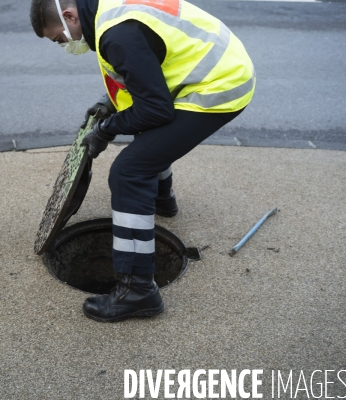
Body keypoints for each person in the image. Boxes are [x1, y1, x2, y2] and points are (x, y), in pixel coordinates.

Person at [30, 0, 255, 322]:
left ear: (69, 17)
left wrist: (106, 130)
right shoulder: (105, 11)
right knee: (146, 142)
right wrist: (109, 104)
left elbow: (155, 110)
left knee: (129, 171)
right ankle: (163, 200)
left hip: (219, 87)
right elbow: (141, 72)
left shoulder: (116, 33)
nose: (64, 46)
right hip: (216, 66)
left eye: (59, 39)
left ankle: (137, 291)